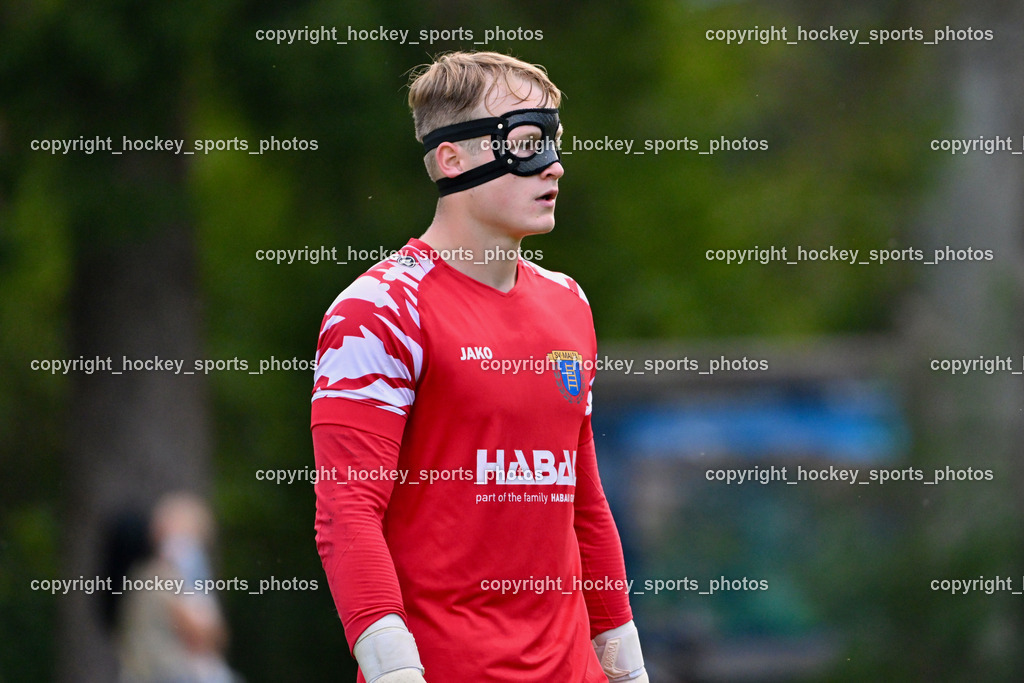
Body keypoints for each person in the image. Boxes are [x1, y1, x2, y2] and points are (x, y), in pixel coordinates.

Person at [311, 51, 649, 682]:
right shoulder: (380, 309)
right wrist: (393, 671)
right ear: (452, 158)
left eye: (554, 140)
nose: (553, 164)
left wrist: (625, 664)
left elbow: (584, 500)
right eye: (525, 142)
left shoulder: (570, 303)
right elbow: (346, 512)